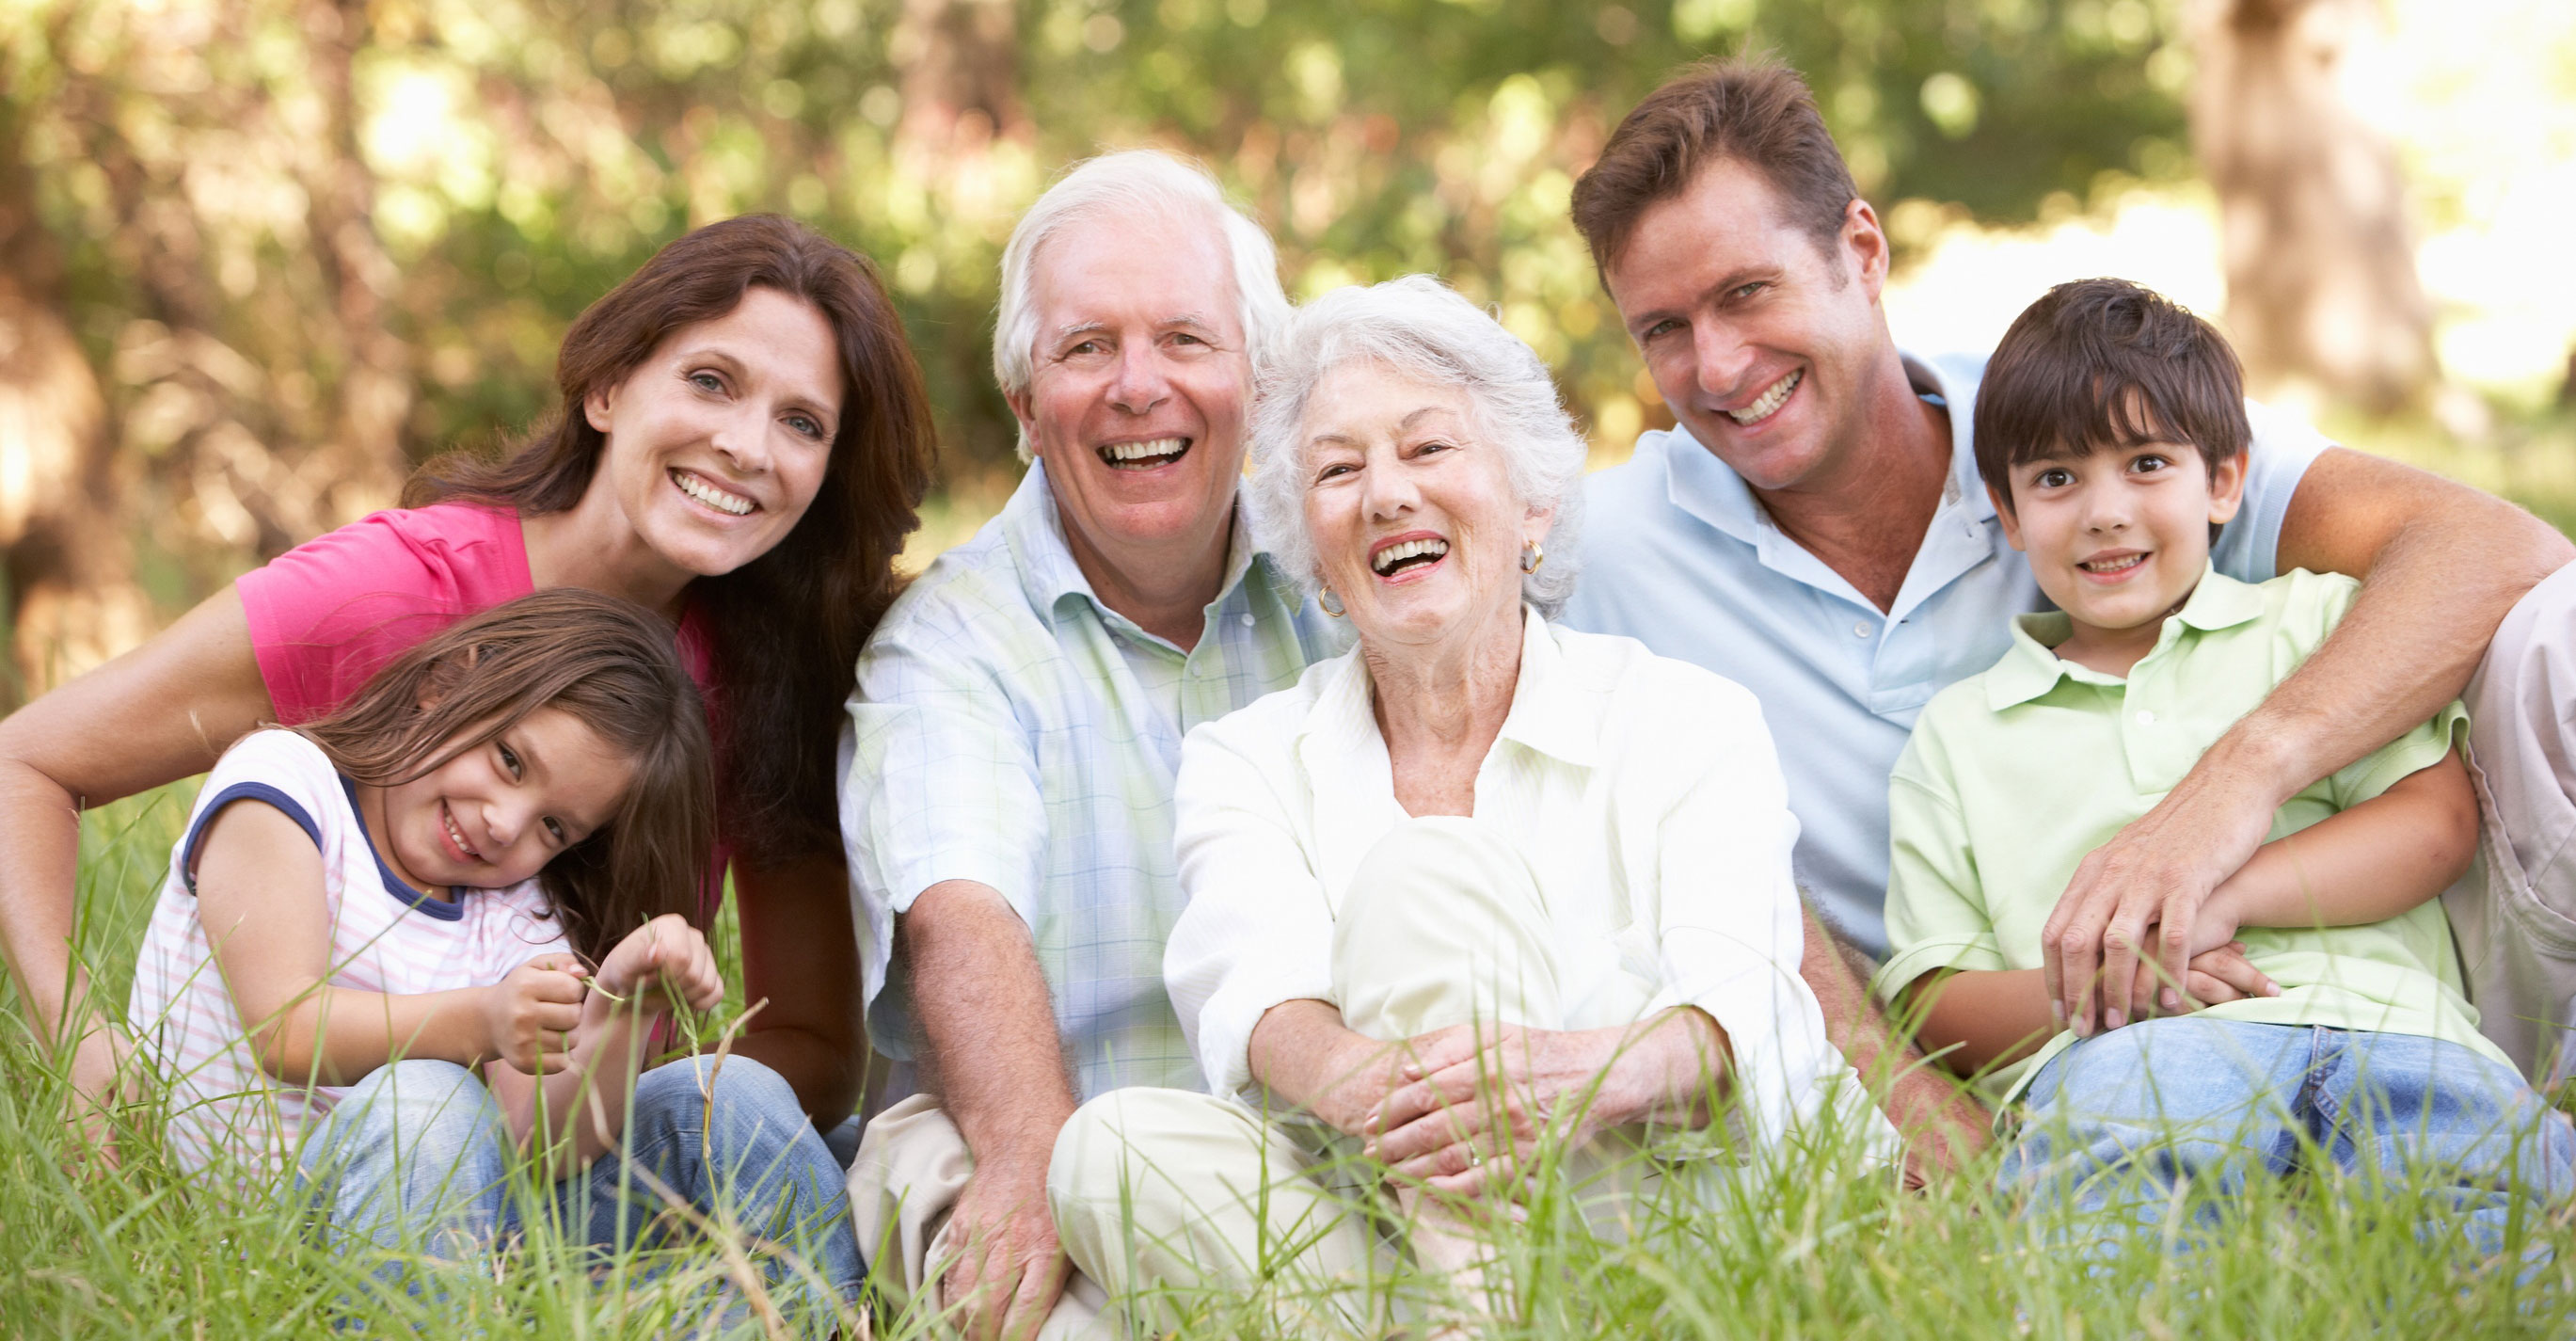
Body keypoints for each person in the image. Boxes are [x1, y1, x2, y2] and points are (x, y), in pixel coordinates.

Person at [1558, 59, 2576, 1139]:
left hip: (2387, 980)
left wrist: (2227, 791)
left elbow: (2486, 547)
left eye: (1745, 293)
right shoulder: (1599, 553)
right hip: (2073, 1060)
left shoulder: (2079, 419)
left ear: (1859, 253)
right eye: (1661, 329)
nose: (1714, 366)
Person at [1045, 276, 1900, 1333]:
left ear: (1532, 501)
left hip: (1667, 1215)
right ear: (1311, 552)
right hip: (1393, 1216)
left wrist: (1569, 1079)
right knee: (1109, 1153)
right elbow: (1254, 993)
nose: (1386, 494)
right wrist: (1375, 1088)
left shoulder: (1685, 718)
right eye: (1337, 469)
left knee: (1422, 874)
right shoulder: (1247, 757)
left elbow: (1742, 1005)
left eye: (1427, 448)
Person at [0, 214, 935, 1147]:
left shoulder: (774, 671)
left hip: (576, 1150)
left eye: (801, 423)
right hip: (358, 1141)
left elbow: (807, 1045)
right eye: (708, 382)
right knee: (426, 1115)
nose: (746, 446)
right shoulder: (394, 592)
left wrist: (623, 1121)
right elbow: (26, 767)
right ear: (608, 388)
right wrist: (80, 1040)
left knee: (825, 1136)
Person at [1874, 278, 2573, 1251]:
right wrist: (2122, 978)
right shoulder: (1957, 735)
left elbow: (2435, 827)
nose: (2103, 512)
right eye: (2055, 479)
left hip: (2395, 1030)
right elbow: (1932, 999)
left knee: (2503, 1244)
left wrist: (2219, 898)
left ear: (2223, 482)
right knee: (2111, 1245)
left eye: (2146, 463)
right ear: (2003, 507)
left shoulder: (2313, 628)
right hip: (2128, 1059)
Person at [839, 150, 1340, 1341]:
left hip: (1305, 1148)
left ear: (1258, 384)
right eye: (1083, 348)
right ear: (1023, 405)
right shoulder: (949, 642)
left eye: (1184, 339)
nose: (1135, 387)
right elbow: (960, 909)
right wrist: (1031, 1162)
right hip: (1020, 1134)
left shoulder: (1343, 589)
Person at [127, 589, 862, 1314]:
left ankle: (818, 1317)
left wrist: (622, 1010)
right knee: (426, 1098)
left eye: (555, 826)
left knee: (731, 1094)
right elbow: (285, 1029)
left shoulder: (520, 907)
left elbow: (539, 1148)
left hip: (465, 1250)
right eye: (510, 760)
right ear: (446, 682)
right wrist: (483, 1018)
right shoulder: (286, 784)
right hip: (267, 1236)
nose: (506, 825)